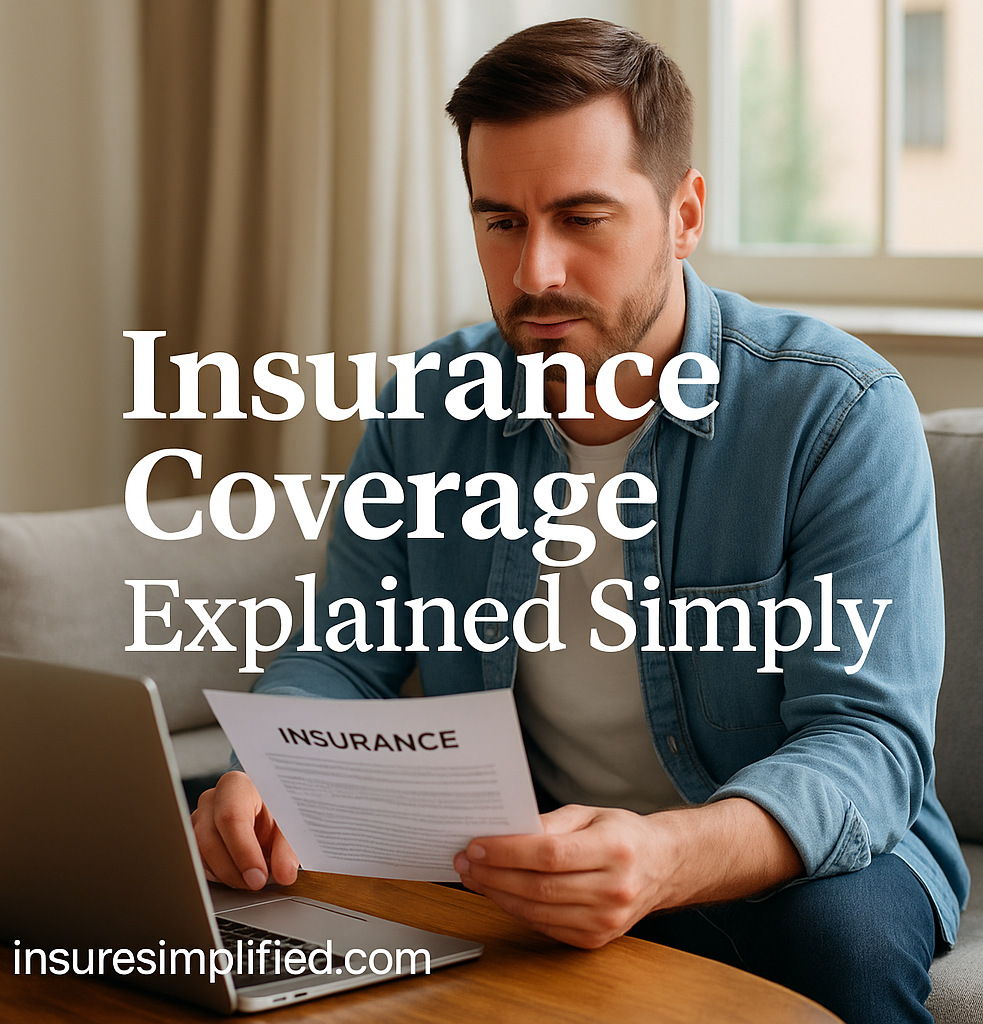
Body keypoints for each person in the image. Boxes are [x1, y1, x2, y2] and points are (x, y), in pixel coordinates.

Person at [192, 19, 969, 1023]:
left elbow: (865, 741)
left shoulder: (836, 411)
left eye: (582, 218)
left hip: (791, 858)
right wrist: (260, 771)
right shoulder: (430, 407)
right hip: (530, 847)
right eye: (500, 222)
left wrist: (665, 855)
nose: (534, 273)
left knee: (843, 945)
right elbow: (345, 654)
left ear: (684, 214)